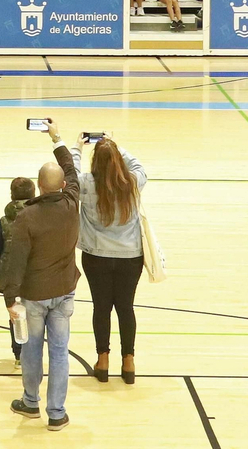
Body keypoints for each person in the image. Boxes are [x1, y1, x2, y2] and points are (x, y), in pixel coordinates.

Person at [0, 117, 81, 432]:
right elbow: (73, 171)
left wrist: (10, 297)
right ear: (61, 186)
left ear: (38, 183)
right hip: (64, 291)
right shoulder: (72, 202)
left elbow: (15, 260)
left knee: (33, 347)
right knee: (60, 351)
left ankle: (31, 402)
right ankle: (57, 413)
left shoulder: (27, 216)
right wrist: (57, 137)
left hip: (34, 295)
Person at [77, 135, 147, 384]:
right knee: (126, 307)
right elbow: (140, 166)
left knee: (102, 307)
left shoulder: (85, 183)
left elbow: (70, 175)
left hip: (96, 256)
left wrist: (77, 148)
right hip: (130, 256)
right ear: (118, 161)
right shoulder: (131, 182)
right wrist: (116, 147)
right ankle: (128, 361)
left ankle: (103, 359)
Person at [0, 177, 37, 368]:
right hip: (35, 275)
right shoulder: (39, 218)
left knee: (16, 316)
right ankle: (35, 353)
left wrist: (1, 280)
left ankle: (19, 355)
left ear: (11, 196)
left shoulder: (3, 222)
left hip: (11, 278)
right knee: (37, 315)